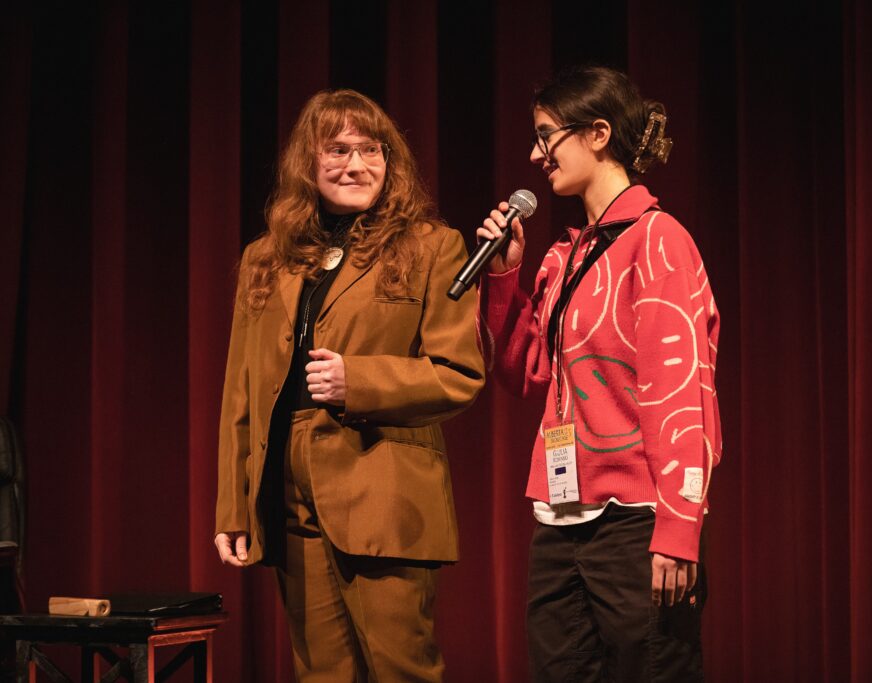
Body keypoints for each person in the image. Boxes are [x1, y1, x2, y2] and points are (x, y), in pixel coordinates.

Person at [214, 89, 484, 682]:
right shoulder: (265, 259)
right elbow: (242, 392)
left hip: (380, 485)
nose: (356, 164)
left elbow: (458, 373)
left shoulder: (432, 247)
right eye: (337, 149)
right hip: (288, 490)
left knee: (402, 668)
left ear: (391, 163)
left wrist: (355, 380)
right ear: (306, 163)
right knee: (321, 674)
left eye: (370, 150)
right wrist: (235, 505)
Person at [476, 65, 721, 682]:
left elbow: (680, 389)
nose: (535, 155)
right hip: (560, 520)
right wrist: (505, 276)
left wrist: (678, 528)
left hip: (636, 518)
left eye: (546, 135)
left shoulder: (659, 240)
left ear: (599, 134)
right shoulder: (566, 255)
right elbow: (530, 375)